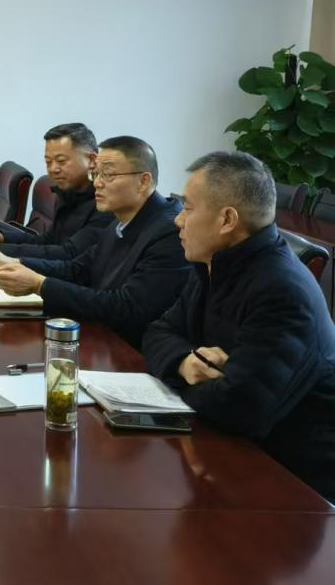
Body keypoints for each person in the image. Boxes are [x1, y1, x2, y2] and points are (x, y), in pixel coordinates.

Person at [144, 151, 335, 503]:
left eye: (188, 208)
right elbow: (157, 331)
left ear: (227, 220)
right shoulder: (215, 264)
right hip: (231, 454)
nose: (178, 221)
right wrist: (186, 363)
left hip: (292, 488)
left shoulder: (281, 291)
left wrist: (177, 376)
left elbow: (239, 409)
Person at [0, 135, 191, 348]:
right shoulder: (121, 220)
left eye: (108, 175)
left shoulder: (169, 232)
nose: (97, 183)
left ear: (143, 181)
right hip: (101, 340)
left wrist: (40, 284)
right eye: (96, 174)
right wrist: (14, 263)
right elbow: (77, 269)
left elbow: (126, 307)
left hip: (131, 353)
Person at [0, 122, 111, 259]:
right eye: (48, 162)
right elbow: (47, 241)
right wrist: (1, 236)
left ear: (92, 160)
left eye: (61, 161)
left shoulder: (105, 203)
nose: (53, 169)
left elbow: (69, 253)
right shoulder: (68, 192)